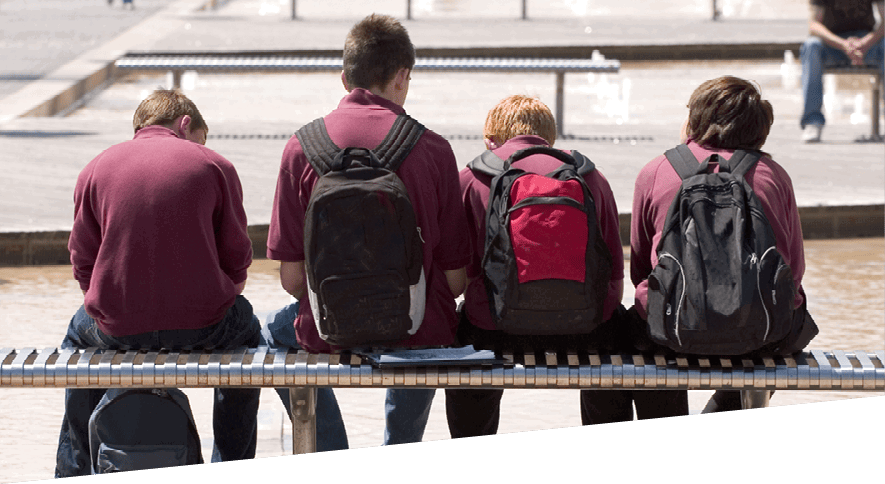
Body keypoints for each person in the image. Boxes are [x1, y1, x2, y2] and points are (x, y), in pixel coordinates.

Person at [264, 13, 470, 446]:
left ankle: (333, 451)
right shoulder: (432, 150)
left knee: (273, 335)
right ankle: (399, 449)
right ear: (402, 76)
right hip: (416, 333)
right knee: (429, 322)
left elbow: (290, 278)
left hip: (326, 330)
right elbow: (454, 280)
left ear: (345, 79)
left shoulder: (301, 148)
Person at [57, 89, 261, 477]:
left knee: (76, 343)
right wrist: (217, 297)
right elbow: (238, 260)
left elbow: (83, 262)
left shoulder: (96, 168)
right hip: (205, 326)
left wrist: (112, 306)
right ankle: (232, 466)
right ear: (185, 124)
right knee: (249, 339)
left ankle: (74, 469)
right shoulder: (215, 165)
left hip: (117, 329)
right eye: (200, 137)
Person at [630, 76, 817, 415]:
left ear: (697, 119)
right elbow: (794, 271)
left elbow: (642, 267)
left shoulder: (657, 171)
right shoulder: (772, 175)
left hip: (672, 331)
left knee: (637, 329)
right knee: (787, 323)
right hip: (760, 334)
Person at [447, 94, 625, 437]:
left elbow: (456, 273)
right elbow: (615, 277)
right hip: (583, 331)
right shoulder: (589, 176)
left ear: (491, 139)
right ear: (550, 139)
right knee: (614, 343)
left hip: (493, 331)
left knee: (465, 340)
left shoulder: (472, 177)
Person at [800, 0, 884, 142]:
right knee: (811, 46)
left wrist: (865, 43)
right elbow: (814, 26)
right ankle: (812, 122)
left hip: (866, 42)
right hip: (832, 43)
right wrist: (843, 44)